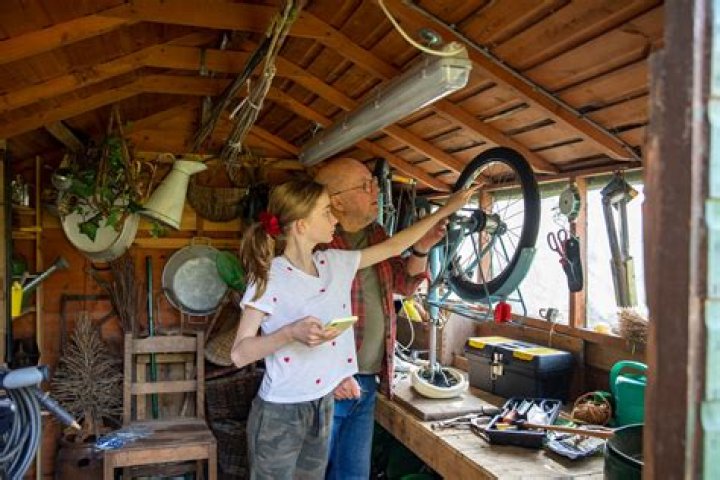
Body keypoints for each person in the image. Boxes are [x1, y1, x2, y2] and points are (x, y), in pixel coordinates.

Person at [230, 176, 474, 480]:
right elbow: (239, 354)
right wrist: (289, 333)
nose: (335, 218)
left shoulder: (334, 263)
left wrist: (446, 209)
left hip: (323, 404)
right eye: (326, 212)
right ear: (302, 225)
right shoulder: (269, 277)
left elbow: (395, 246)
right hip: (281, 412)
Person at [314, 158, 448, 480]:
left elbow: (404, 284)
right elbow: (301, 319)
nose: (376, 191)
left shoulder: (376, 234)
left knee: (353, 476)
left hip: (367, 380)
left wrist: (421, 248)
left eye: (374, 183)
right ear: (337, 201)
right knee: (310, 473)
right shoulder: (317, 243)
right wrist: (328, 375)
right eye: (365, 186)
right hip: (326, 384)